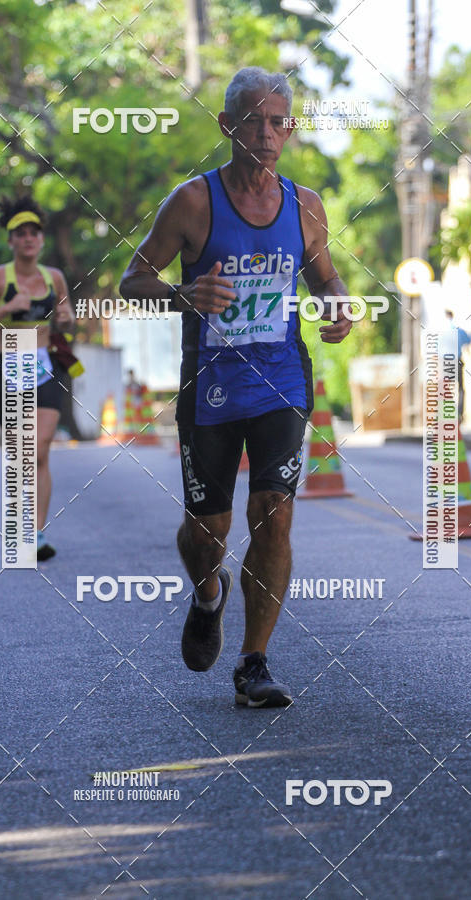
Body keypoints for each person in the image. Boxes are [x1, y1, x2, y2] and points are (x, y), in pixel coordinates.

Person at [120, 67, 352, 707]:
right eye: (255, 120)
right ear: (227, 126)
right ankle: (207, 592)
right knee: (207, 530)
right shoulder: (194, 202)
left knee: (273, 517)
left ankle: (255, 662)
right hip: (210, 386)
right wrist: (182, 293)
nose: (269, 133)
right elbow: (130, 280)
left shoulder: (305, 205)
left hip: (281, 379)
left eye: (280, 121)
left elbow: (325, 276)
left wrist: (337, 303)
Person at [0, 195, 76, 561]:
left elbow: (67, 314)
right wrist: (6, 309)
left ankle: (36, 533)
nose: (28, 239)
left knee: (39, 448)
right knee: (23, 455)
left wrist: (66, 320)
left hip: (45, 365)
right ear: (11, 240)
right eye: (21, 233)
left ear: (42, 240)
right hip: (5, 366)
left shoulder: (53, 277)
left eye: (34, 233)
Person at [445, 309, 471, 422]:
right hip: (457, 360)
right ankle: (460, 414)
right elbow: (469, 340)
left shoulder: (441, 331)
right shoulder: (458, 331)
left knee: (446, 388)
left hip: (445, 362)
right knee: (460, 388)